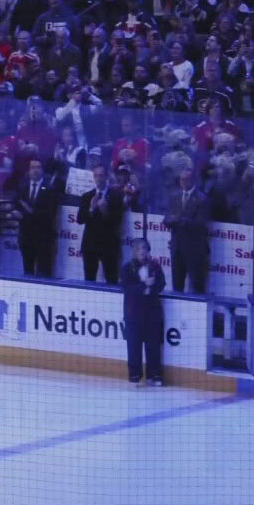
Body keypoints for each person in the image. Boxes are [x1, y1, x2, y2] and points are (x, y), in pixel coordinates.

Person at [121, 239, 168, 385]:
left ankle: (154, 374)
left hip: (152, 311)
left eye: (144, 248)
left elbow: (161, 284)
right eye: (138, 249)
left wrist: (152, 286)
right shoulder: (127, 268)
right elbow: (126, 288)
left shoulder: (155, 266)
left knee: (153, 345)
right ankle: (134, 374)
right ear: (133, 251)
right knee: (134, 345)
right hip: (134, 312)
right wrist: (143, 285)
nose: (142, 251)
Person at [164, 168, 212, 294]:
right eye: (182, 179)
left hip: (194, 249)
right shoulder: (174, 197)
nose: (184, 182)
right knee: (177, 284)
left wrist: (180, 219)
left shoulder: (202, 199)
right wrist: (172, 220)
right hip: (177, 247)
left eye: (187, 179)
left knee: (197, 284)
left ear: (193, 180)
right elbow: (167, 219)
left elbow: (202, 223)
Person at [78, 163, 126, 283]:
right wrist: (91, 209)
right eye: (96, 176)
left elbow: (117, 221)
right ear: (93, 177)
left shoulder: (116, 196)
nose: (99, 178)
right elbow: (80, 219)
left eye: (101, 175)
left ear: (106, 177)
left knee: (111, 279)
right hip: (90, 245)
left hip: (108, 244)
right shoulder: (87, 196)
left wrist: (105, 211)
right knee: (89, 280)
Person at [13, 159, 60, 277]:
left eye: (38, 167)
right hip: (26, 237)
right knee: (27, 271)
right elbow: (16, 205)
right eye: (32, 167)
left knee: (44, 272)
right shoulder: (22, 187)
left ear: (42, 170)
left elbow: (50, 214)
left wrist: (30, 212)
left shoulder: (50, 189)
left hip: (43, 238)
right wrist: (16, 213)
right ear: (28, 170)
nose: (35, 170)